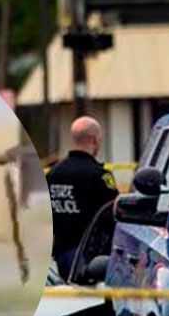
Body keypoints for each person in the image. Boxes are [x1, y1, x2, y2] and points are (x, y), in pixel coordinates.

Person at [46, 116, 118, 278]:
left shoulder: (54, 173)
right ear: (95, 140)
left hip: (61, 254)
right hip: (91, 258)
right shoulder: (99, 176)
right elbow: (113, 216)